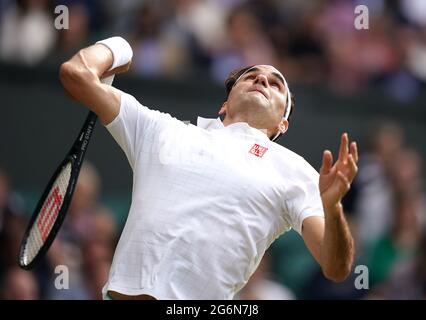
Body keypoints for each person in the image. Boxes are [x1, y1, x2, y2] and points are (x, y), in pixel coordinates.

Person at [59, 36, 358, 300]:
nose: (262, 80)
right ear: (224, 105)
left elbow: (336, 267)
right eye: (251, 76)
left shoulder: (294, 169)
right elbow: (77, 74)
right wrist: (119, 46)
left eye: (276, 84)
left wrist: (332, 209)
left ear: (283, 123)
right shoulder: (160, 129)